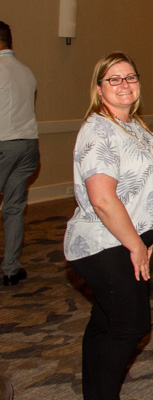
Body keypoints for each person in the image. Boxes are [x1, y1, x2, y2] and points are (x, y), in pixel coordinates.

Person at [63, 52, 153, 400]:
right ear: (99, 88)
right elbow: (103, 199)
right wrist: (136, 245)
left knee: (106, 321)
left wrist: (146, 235)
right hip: (106, 242)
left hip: (125, 239)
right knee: (130, 326)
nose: (124, 84)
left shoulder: (131, 124)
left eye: (130, 77)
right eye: (114, 79)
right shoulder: (99, 130)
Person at [0, 21, 40, 286]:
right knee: (14, 208)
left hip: (3, 144)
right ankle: (11, 270)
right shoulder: (26, 71)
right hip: (27, 146)